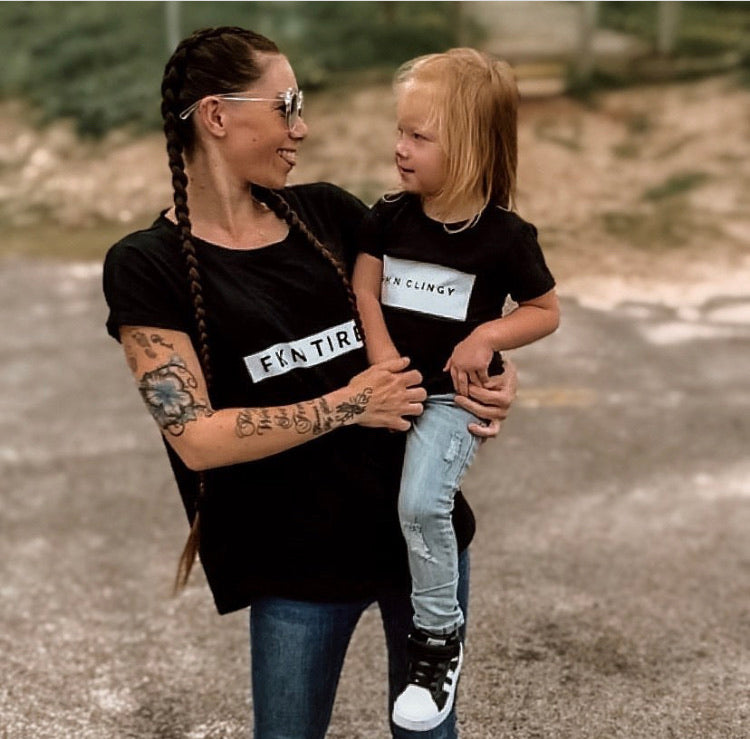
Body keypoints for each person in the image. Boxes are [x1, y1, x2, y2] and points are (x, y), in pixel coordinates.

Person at [102, 27, 517, 739]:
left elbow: (452, 309)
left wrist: (493, 371)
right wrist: (352, 402)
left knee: (428, 733)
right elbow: (195, 437)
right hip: (293, 567)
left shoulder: (333, 213)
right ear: (217, 115)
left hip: (418, 544)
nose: (303, 127)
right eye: (286, 105)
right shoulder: (147, 265)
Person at [352, 48, 559, 731]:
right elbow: (364, 286)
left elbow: (545, 310)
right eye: (400, 130)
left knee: (421, 503)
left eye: (419, 136)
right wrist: (381, 353)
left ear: (469, 149)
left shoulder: (505, 238)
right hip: (392, 385)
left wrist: (489, 336)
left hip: (450, 399)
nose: (400, 147)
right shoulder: (388, 215)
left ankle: (438, 639)